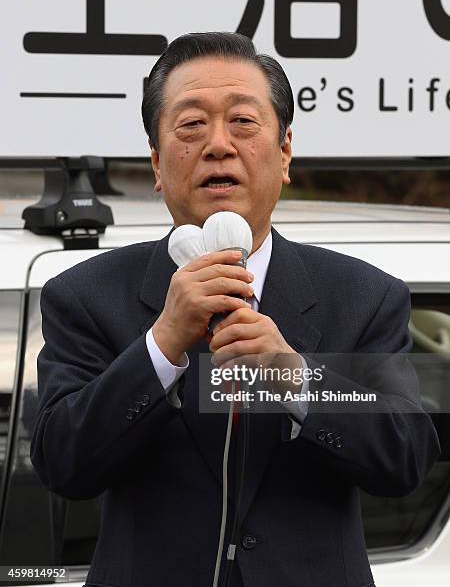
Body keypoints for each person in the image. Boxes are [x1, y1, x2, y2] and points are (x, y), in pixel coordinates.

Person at [31, 32, 441, 587]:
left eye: (243, 122)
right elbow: (61, 464)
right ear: (156, 162)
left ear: (285, 152)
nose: (218, 145)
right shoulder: (85, 295)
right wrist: (162, 346)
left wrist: (296, 379)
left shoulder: (364, 296)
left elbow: (404, 461)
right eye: (191, 125)